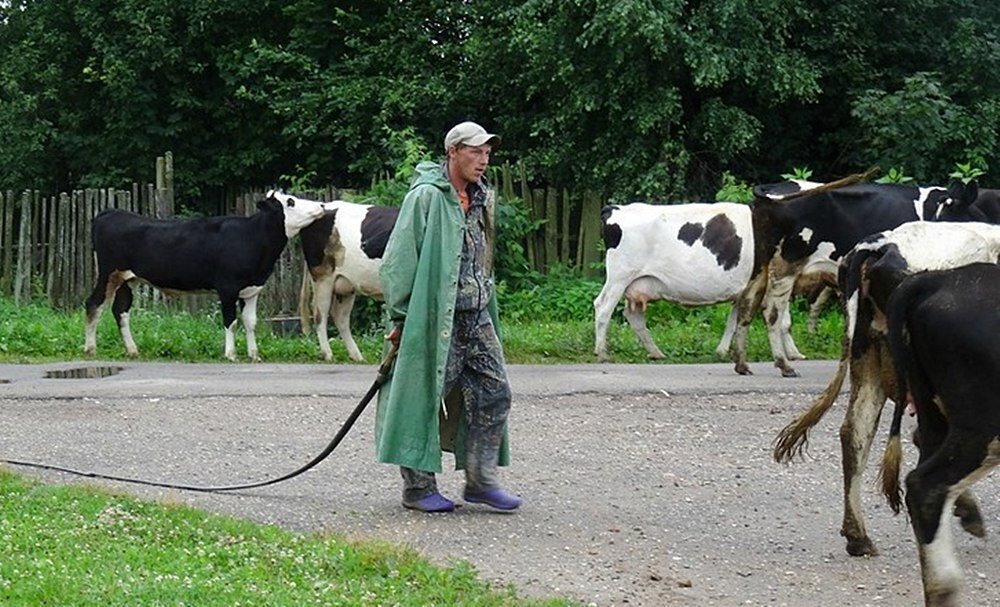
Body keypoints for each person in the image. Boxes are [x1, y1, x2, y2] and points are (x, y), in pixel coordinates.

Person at [374, 121, 522, 513]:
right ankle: (418, 488)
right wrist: (402, 317)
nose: (484, 159)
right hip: (434, 315)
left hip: (476, 314)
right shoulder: (425, 197)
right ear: (453, 151)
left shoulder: (482, 196)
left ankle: (480, 480)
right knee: (422, 397)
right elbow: (399, 260)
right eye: (475, 151)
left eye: (488, 152)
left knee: (496, 392)